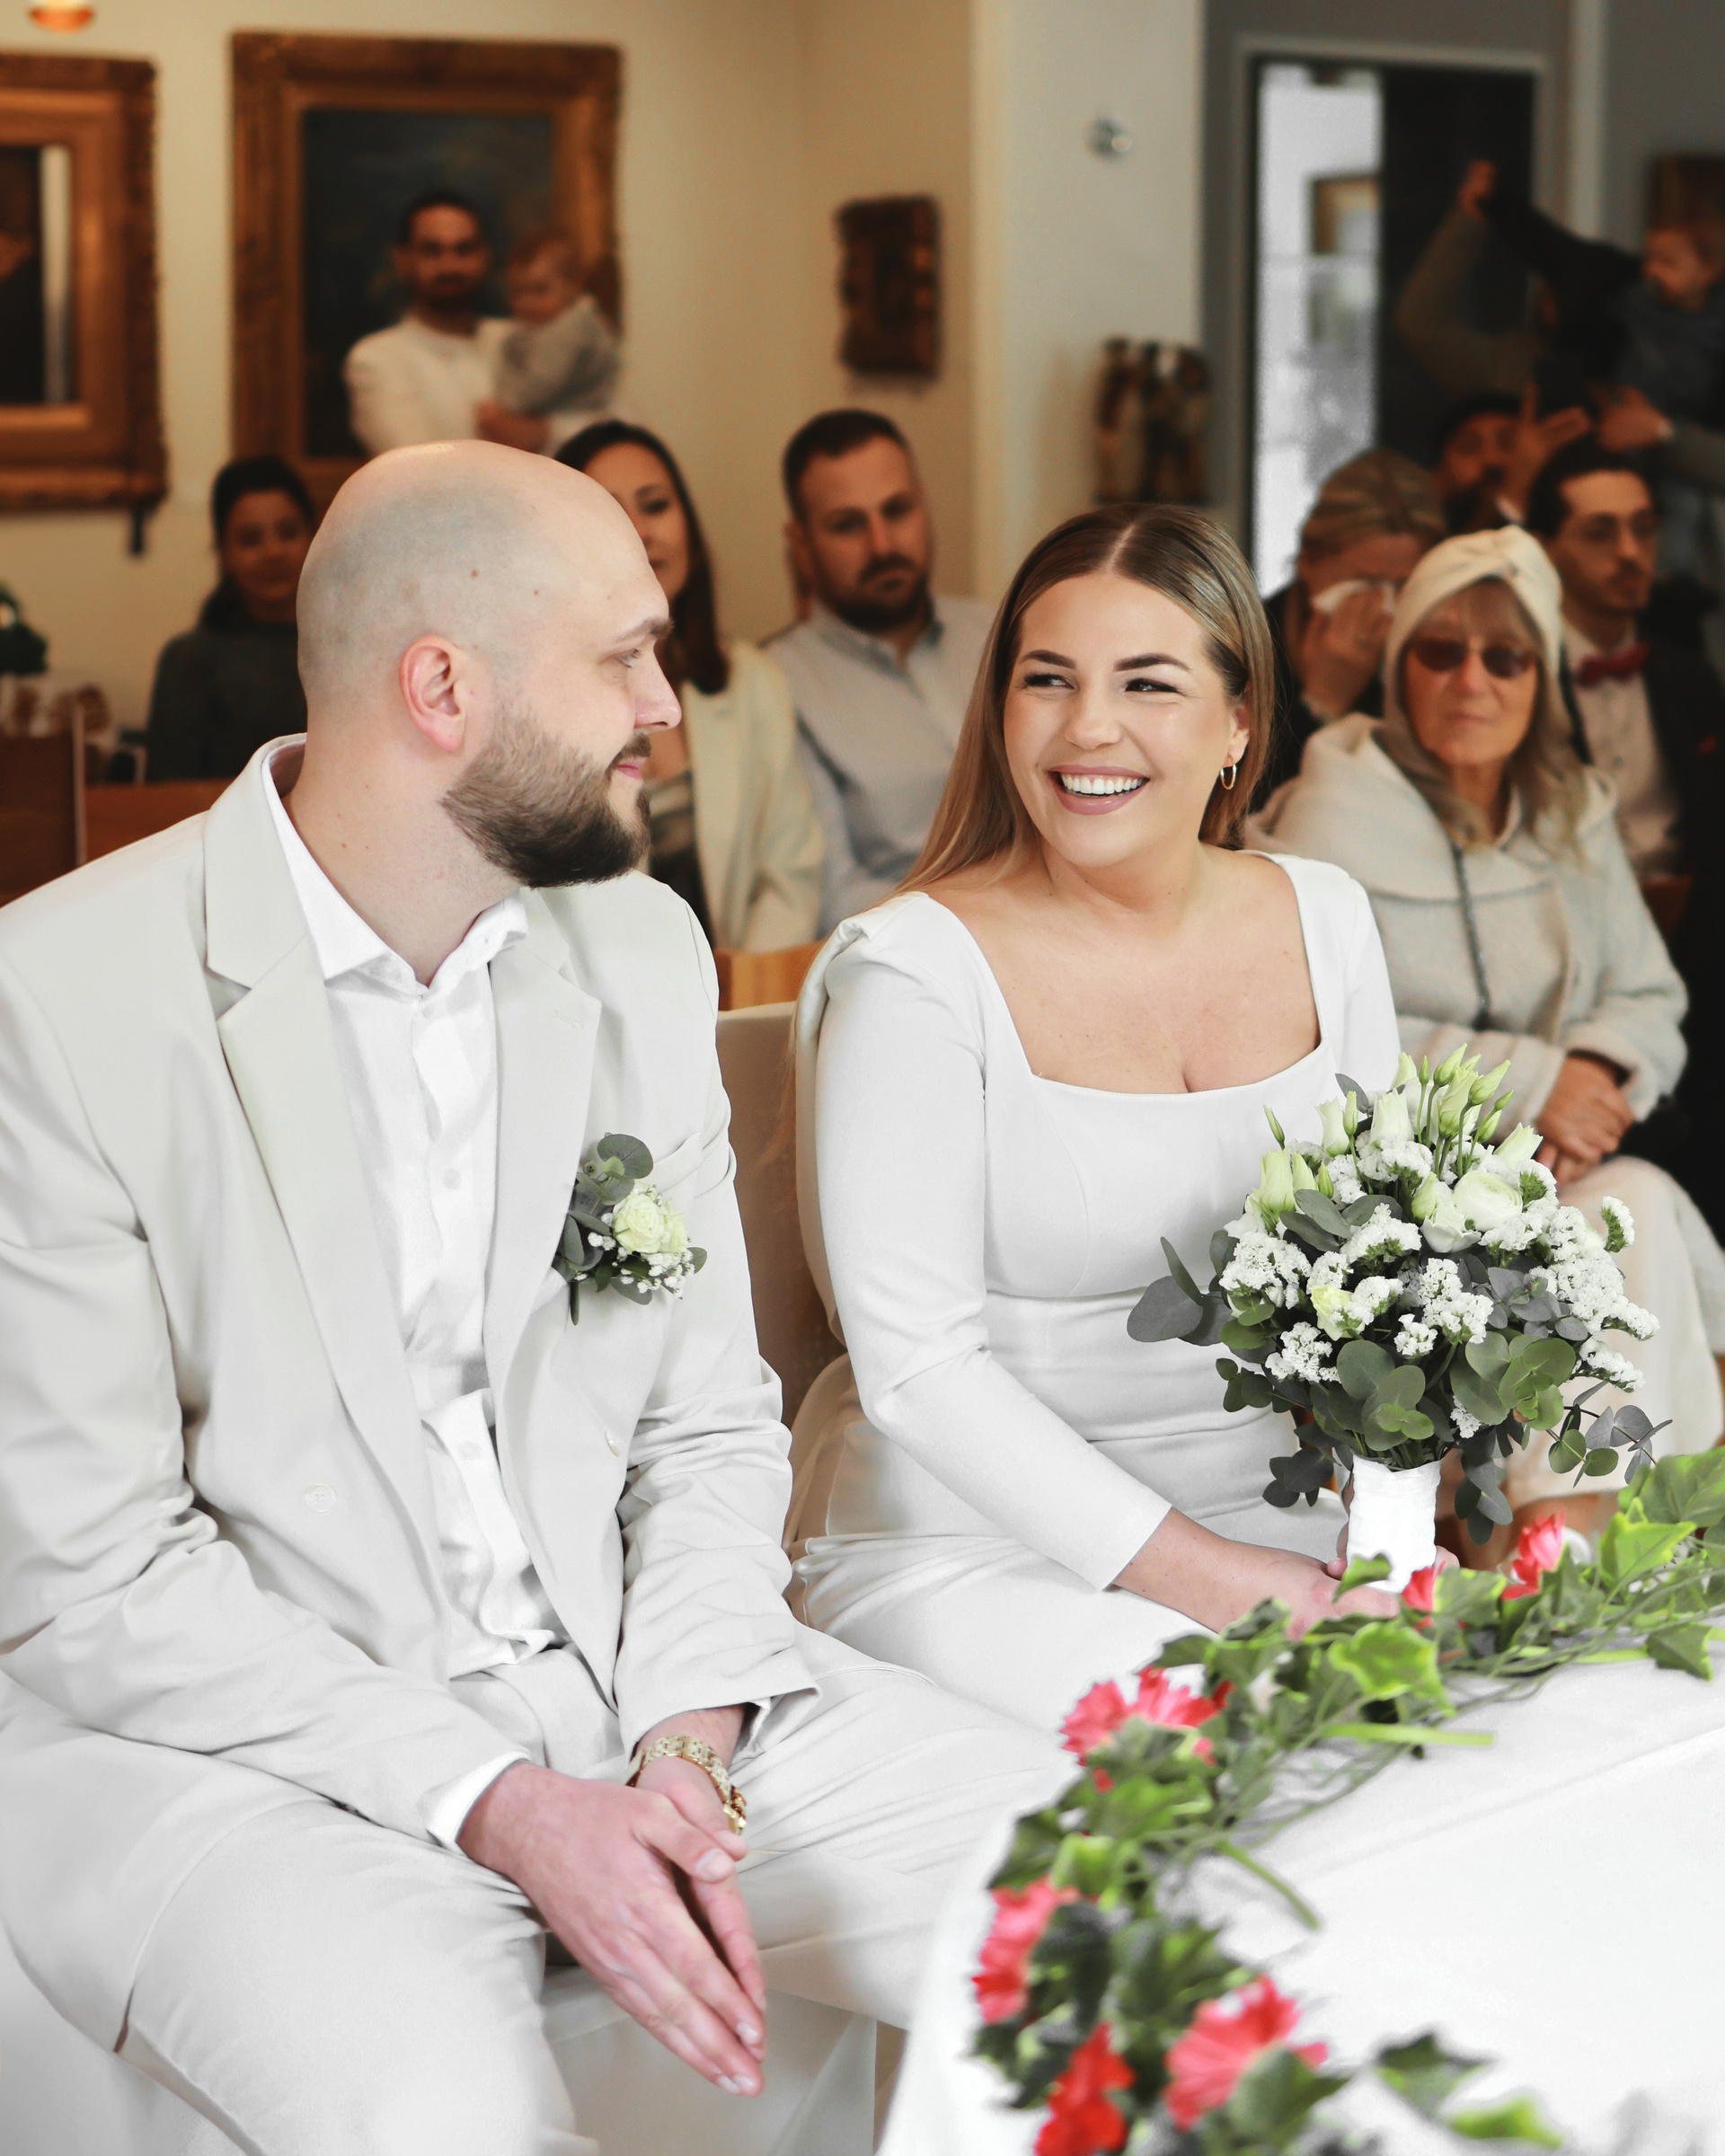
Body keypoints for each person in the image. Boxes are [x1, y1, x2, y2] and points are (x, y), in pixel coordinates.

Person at [0, 440, 1058, 2152]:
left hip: (644, 1687)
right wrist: (498, 1800)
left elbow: (708, 1426)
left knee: (1123, 1909)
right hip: (249, 1767)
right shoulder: (58, 997)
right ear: (443, 690)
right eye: (624, 656)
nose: (665, 707)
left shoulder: (636, 948)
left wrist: (685, 1744)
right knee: (459, 2125)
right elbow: (93, 1576)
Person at [786, 501, 1410, 1735]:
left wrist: (1392, 1546)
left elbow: (1395, 1273)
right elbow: (918, 1374)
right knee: (1255, 1732)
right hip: (968, 1546)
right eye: (1048, 679)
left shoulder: (1326, 916)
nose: (1088, 728)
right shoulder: (912, 975)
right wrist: (1222, 1584)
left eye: (1148, 683)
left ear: (1240, 723)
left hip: (1281, 1525)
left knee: (1476, 1728)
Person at [1252, 525, 1725, 1541]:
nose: (1472, 680)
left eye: (1505, 657)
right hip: (1387, 1206)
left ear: (1540, 680)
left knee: (1632, 1205)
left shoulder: (1569, 814)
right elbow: (1305, 1027)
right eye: (1441, 650)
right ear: (1399, 666)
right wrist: (1534, 1082)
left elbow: (1649, 994)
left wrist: (1595, 1078)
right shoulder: (1332, 812)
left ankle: (1559, 1538)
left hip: (1546, 1181)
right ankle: (1574, 1545)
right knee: (1629, 1218)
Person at [558, 419, 822, 950]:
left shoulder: (752, 678)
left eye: (656, 505)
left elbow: (791, 873)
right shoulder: (548, 698)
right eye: (613, 513)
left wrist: (736, 987)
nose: (642, 531)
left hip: (744, 984)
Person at [767, 411, 992, 932]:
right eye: (848, 525)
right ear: (801, 544)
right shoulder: (777, 686)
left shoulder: (999, 633)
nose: (883, 545)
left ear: (924, 504)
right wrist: (997, 914)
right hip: (923, 951)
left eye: (897, 511)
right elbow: (835, 898)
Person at [1526, 439, 1725, 896]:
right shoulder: (1520, 677)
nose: (1631, 551)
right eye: (1600, 533)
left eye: (1645, 528)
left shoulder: (1690, 676)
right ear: (1545, 548)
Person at [342, 192, 596, 460]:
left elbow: (611, 420)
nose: (450, 266)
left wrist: (540, 432)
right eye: (432, 251)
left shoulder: (522, 336)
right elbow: (417, 465)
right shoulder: (377, 358)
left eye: (464, 250)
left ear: (484, 256)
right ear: (402, 260)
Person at [1255, 448, 1445, 800]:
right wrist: (1322, 702)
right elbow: (1239, 810)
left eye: (1403, 586)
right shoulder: (1243, 650)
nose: (1384, 606)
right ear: (1308, 563)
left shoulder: (1435, 652)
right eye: (1366, 583)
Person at [144, 454, 313, 781]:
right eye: (251, 539)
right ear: (222, 551)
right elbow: (168, 792)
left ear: (314, 536)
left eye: (288, 532)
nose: (273, 552)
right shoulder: (189, 661)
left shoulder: (350, 650)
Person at [476, 230, 620, 453]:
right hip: (560, 420)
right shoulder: (541, 324)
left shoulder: (572, 327)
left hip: (581, 418)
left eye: (539, 289)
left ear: (574, 285)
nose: (527, 302)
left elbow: (542, 381)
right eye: (518, 291)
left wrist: (504, 405)